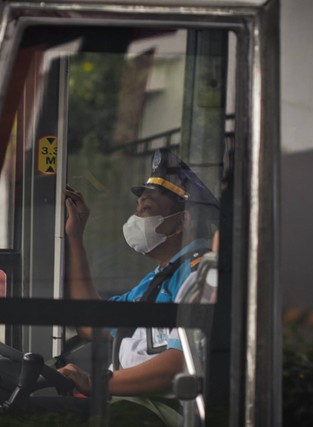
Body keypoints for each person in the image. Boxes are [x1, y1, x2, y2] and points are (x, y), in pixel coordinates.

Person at [57, 148, 219, 422]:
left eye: (147, 209)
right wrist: (75, 235)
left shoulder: (200, 277)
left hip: (156, 412)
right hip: (132, 404)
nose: (136, 218)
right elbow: (90, 323)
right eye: (137, 209)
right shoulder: (159, 279)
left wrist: (94, 382)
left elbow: (177, 365)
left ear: (182, 222)